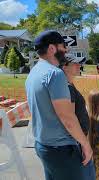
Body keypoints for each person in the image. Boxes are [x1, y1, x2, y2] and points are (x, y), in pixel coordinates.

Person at [25, 30, 92, 180]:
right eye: (63, 46)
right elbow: (67, 117)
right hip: (62, 150)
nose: (66, 50)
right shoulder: (55, 74)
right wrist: (85, 144)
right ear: (51, 49)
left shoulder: (33, 73)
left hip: (44, 145)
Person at [61, 54, 95, 180]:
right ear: (65, 67)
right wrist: (83, 143)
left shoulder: (70, 84)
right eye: (75, 63)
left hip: (79, 140)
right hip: (77, 142)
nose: (79, 65)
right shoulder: (68, 87)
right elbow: (69, 117)